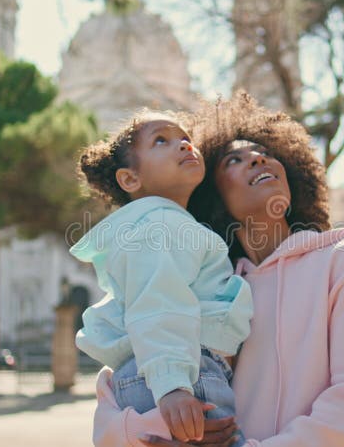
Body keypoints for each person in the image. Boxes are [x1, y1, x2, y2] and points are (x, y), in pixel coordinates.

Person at [90, 92, 344, 446]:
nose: (257, 159)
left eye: (266, 154)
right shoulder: (214, 288)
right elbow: (125, 382)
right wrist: (150, 430)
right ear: (213, 196)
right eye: (234, 159)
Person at [69, 110, 254, 445]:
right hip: (183, 373)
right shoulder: (160, 225)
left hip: (167, 370)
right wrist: (172, 387)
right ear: (130, 179)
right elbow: (159, 303)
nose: (183, 145)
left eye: (186, 138)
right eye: (161, 140)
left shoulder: (164, 224)